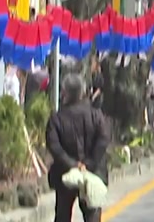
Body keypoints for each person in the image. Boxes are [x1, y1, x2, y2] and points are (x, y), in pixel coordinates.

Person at [46, 74, 110, 222]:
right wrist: (89, 163)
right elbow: (103, 139)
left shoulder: (57, 118)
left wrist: (73, 164)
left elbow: (54, 146)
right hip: (93, 172)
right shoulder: (96, 115)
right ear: (83, 92)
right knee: (92, 214)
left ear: (64, 93)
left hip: (65, 173)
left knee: (62, 215)